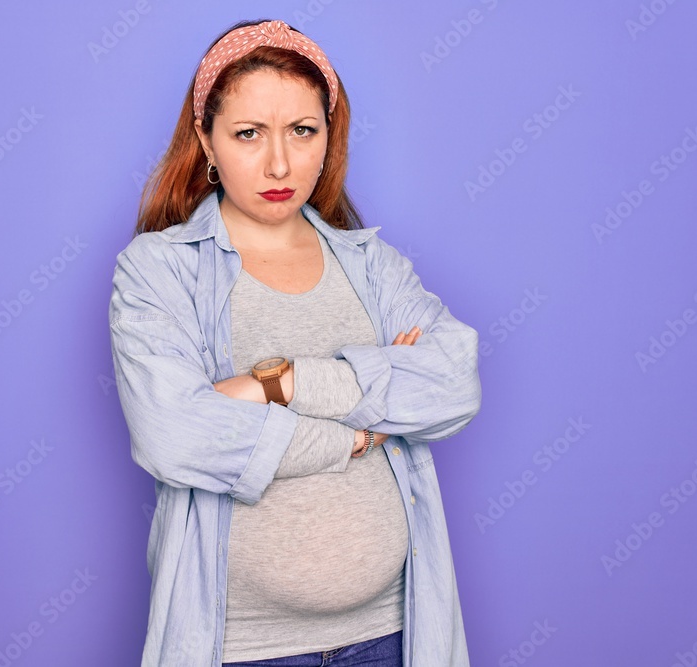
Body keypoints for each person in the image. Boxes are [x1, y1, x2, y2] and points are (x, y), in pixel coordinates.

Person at [108, 18, 482, 667]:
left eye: (302, 131)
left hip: (392, 634)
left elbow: (453, 382)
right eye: (248, 133)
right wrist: (355, 435)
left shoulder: (374, 267)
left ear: (329, 135)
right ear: (206, 140)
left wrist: (278, 384)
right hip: (245, 648)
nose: (279, 163)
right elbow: (175, 432)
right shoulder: (158, 271)